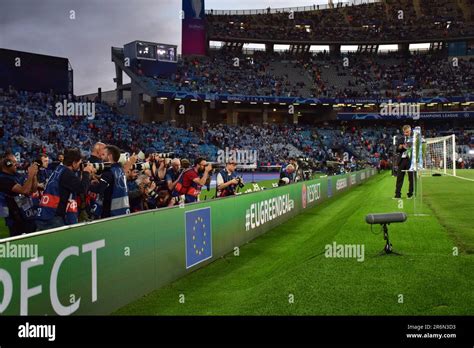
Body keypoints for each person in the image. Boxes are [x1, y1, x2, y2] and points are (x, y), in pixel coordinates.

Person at [36, 148, 94, 231]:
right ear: (73, 163)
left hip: (46, 213)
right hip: (53, 218)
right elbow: (82, 189)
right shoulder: (66, 173)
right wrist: (86, 172)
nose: (79, 165)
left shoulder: (59, 168)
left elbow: (73, 184)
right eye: (79, 163)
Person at [0, 152, 38, 236]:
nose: (16, 164)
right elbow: (24, 191)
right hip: (16, 220)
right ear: (7, 164)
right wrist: (30, 175)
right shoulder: (3, 179)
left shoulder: (17, 175)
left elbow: (32, 190)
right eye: (14, 162)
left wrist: (34, 176)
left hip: (28, 215)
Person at [89, 145, 130, 218]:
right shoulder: (120, 171)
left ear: (110, 156)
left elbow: (100, 189)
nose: (101, 157)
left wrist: (87, 185)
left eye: (103, 154)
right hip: (123, 211)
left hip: (110, 212)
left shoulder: (109, 172)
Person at [394, 125, 414, 199]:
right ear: (403, 132)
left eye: (407, 132)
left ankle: (410, 194)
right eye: (405, 132)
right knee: (399, 178)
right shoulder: (401, 139)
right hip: (402, 160)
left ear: (410, 131)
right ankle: (397, 195)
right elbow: (397, 149)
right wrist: (402, 146)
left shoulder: (413, 139)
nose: (406, 133)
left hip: (410, 161)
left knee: (411, 178)